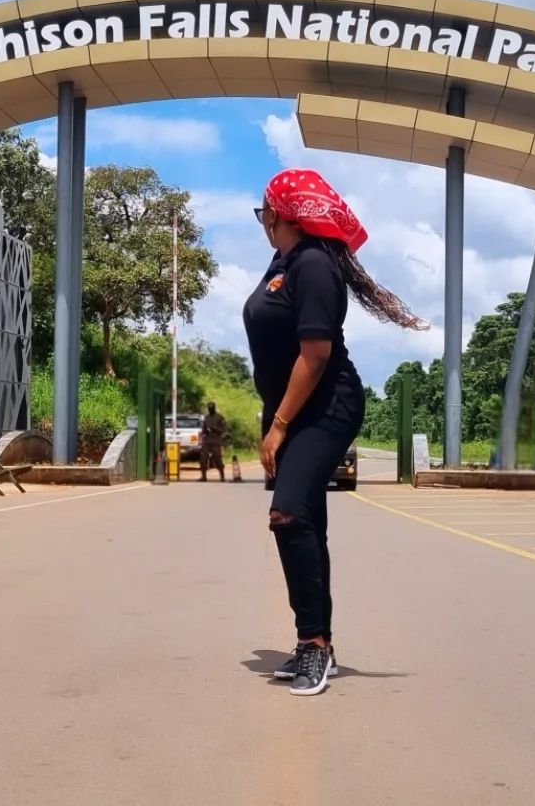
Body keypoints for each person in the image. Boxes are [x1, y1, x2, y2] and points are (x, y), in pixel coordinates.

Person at [243, 167, 425, 697]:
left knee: (289, 513)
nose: (262, 223)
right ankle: (314, 642)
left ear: (280, 213)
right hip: (291, 409)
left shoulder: (315, 267)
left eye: (264, 213)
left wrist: (278, 426)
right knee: (303, 521)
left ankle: (315, 645)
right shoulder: (285, 262)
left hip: (326, 407)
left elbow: (316, 354)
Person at [199, 400, 226, 482]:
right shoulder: (206, 418)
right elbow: (203, 429)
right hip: (207, 440)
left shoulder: (220, 418)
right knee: (203, 458)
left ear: (214, 408)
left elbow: (223, 430)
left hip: (216, 440)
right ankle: (203, 476)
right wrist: (205, 431)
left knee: (217, 458)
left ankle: (222, 475)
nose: (210, 409)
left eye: (211, 408)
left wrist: (215, 429)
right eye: (208, 408)